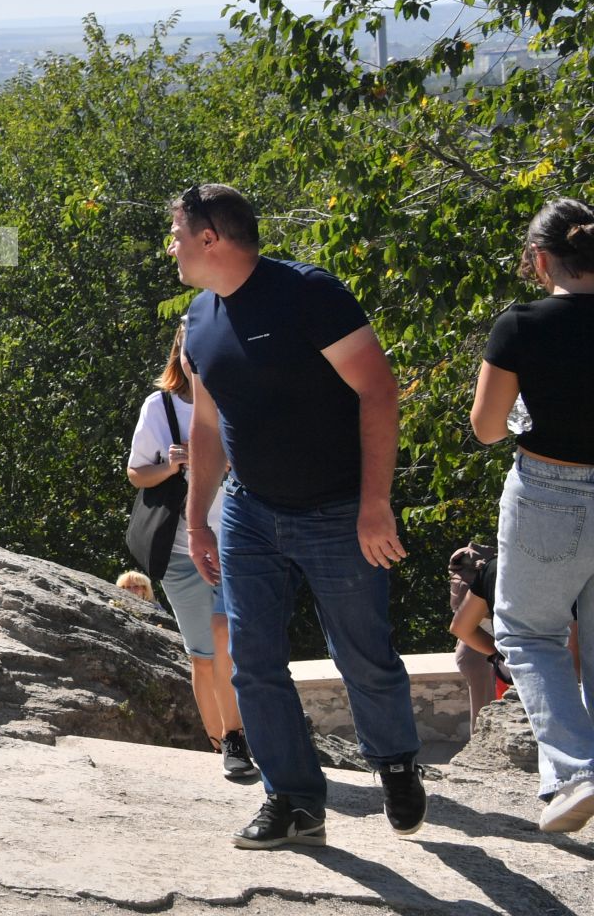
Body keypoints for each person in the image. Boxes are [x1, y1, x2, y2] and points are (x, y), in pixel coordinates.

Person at [172, 183, 424, 850]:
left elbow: (378, 388)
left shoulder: (310, 295)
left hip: (339, 511)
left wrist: (375, 504)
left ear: (211, 238)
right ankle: (292, 798)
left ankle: (395, 762)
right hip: (248, 514)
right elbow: (204, 425)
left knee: (363, 653)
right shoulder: (199, 319)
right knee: (252, 661)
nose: (170, 246)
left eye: (177, 234)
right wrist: (197, 519)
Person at [470, 197, 594, 832]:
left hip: (551, 489)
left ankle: (576, 773)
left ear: (541, 258)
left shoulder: (522, 326)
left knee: (526, 634)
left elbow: (488, 427)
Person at [126, 321, 257, 783]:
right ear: (180, 354)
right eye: (189, 347)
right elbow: (137, 473)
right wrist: (173, 463)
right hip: (182, 550)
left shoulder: (242, 395)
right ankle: (225, 741)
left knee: (229, 642)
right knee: (202, 653)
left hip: (241, 541)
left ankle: (240, 736)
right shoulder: (160, 406)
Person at [448, 543, 505, 728]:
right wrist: (500, 654)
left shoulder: (477, 581)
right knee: (483, 721)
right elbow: (458, 626)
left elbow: (459, 625)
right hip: (480, 657)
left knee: (482, 716)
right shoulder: (493, 576)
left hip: (471, 652)